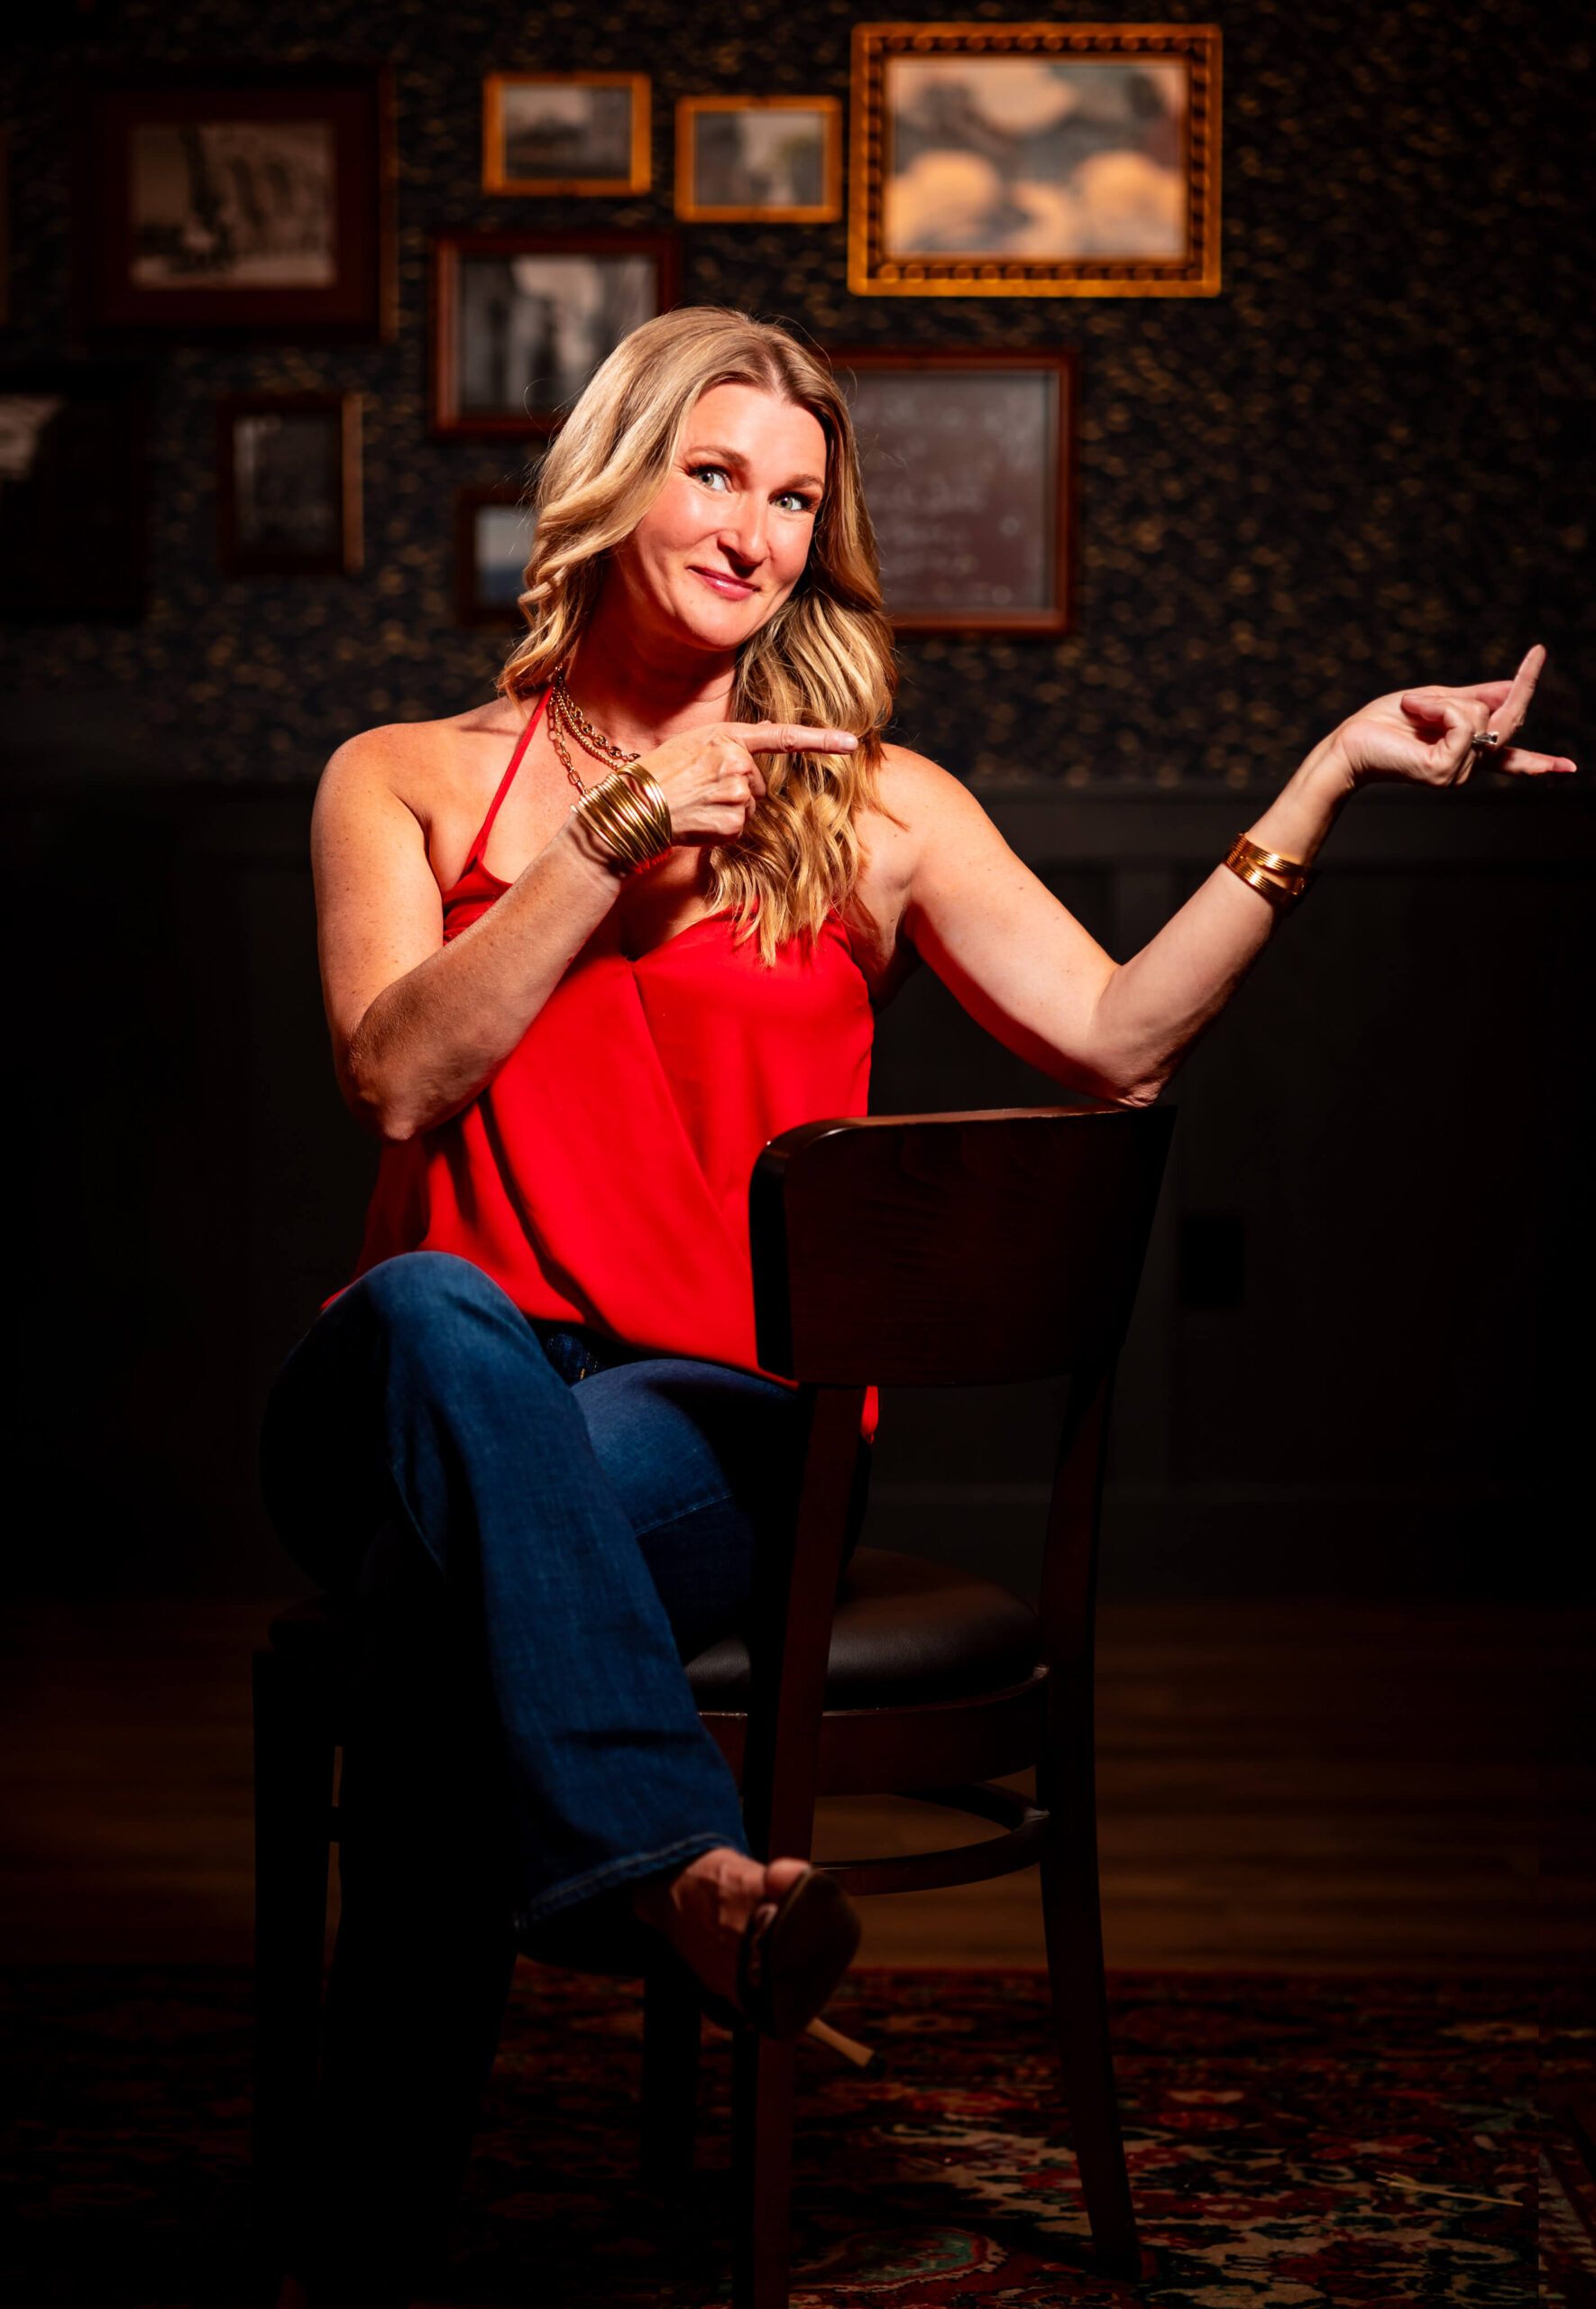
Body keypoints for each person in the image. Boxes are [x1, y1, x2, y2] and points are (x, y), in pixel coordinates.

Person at [260, 306, 1570, 2304]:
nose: (755, 529)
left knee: (448, 1641)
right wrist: (607, 848)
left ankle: (355, 2255)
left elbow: (1120, 1040)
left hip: (704, 1431)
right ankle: (687, 1872)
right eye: (714, 473)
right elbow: (398, 1076)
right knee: (446, 1306)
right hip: (408, 1387)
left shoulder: (872, 802)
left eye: (796, 497)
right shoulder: (407, 777)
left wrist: (1325, 778)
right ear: (615, 480)